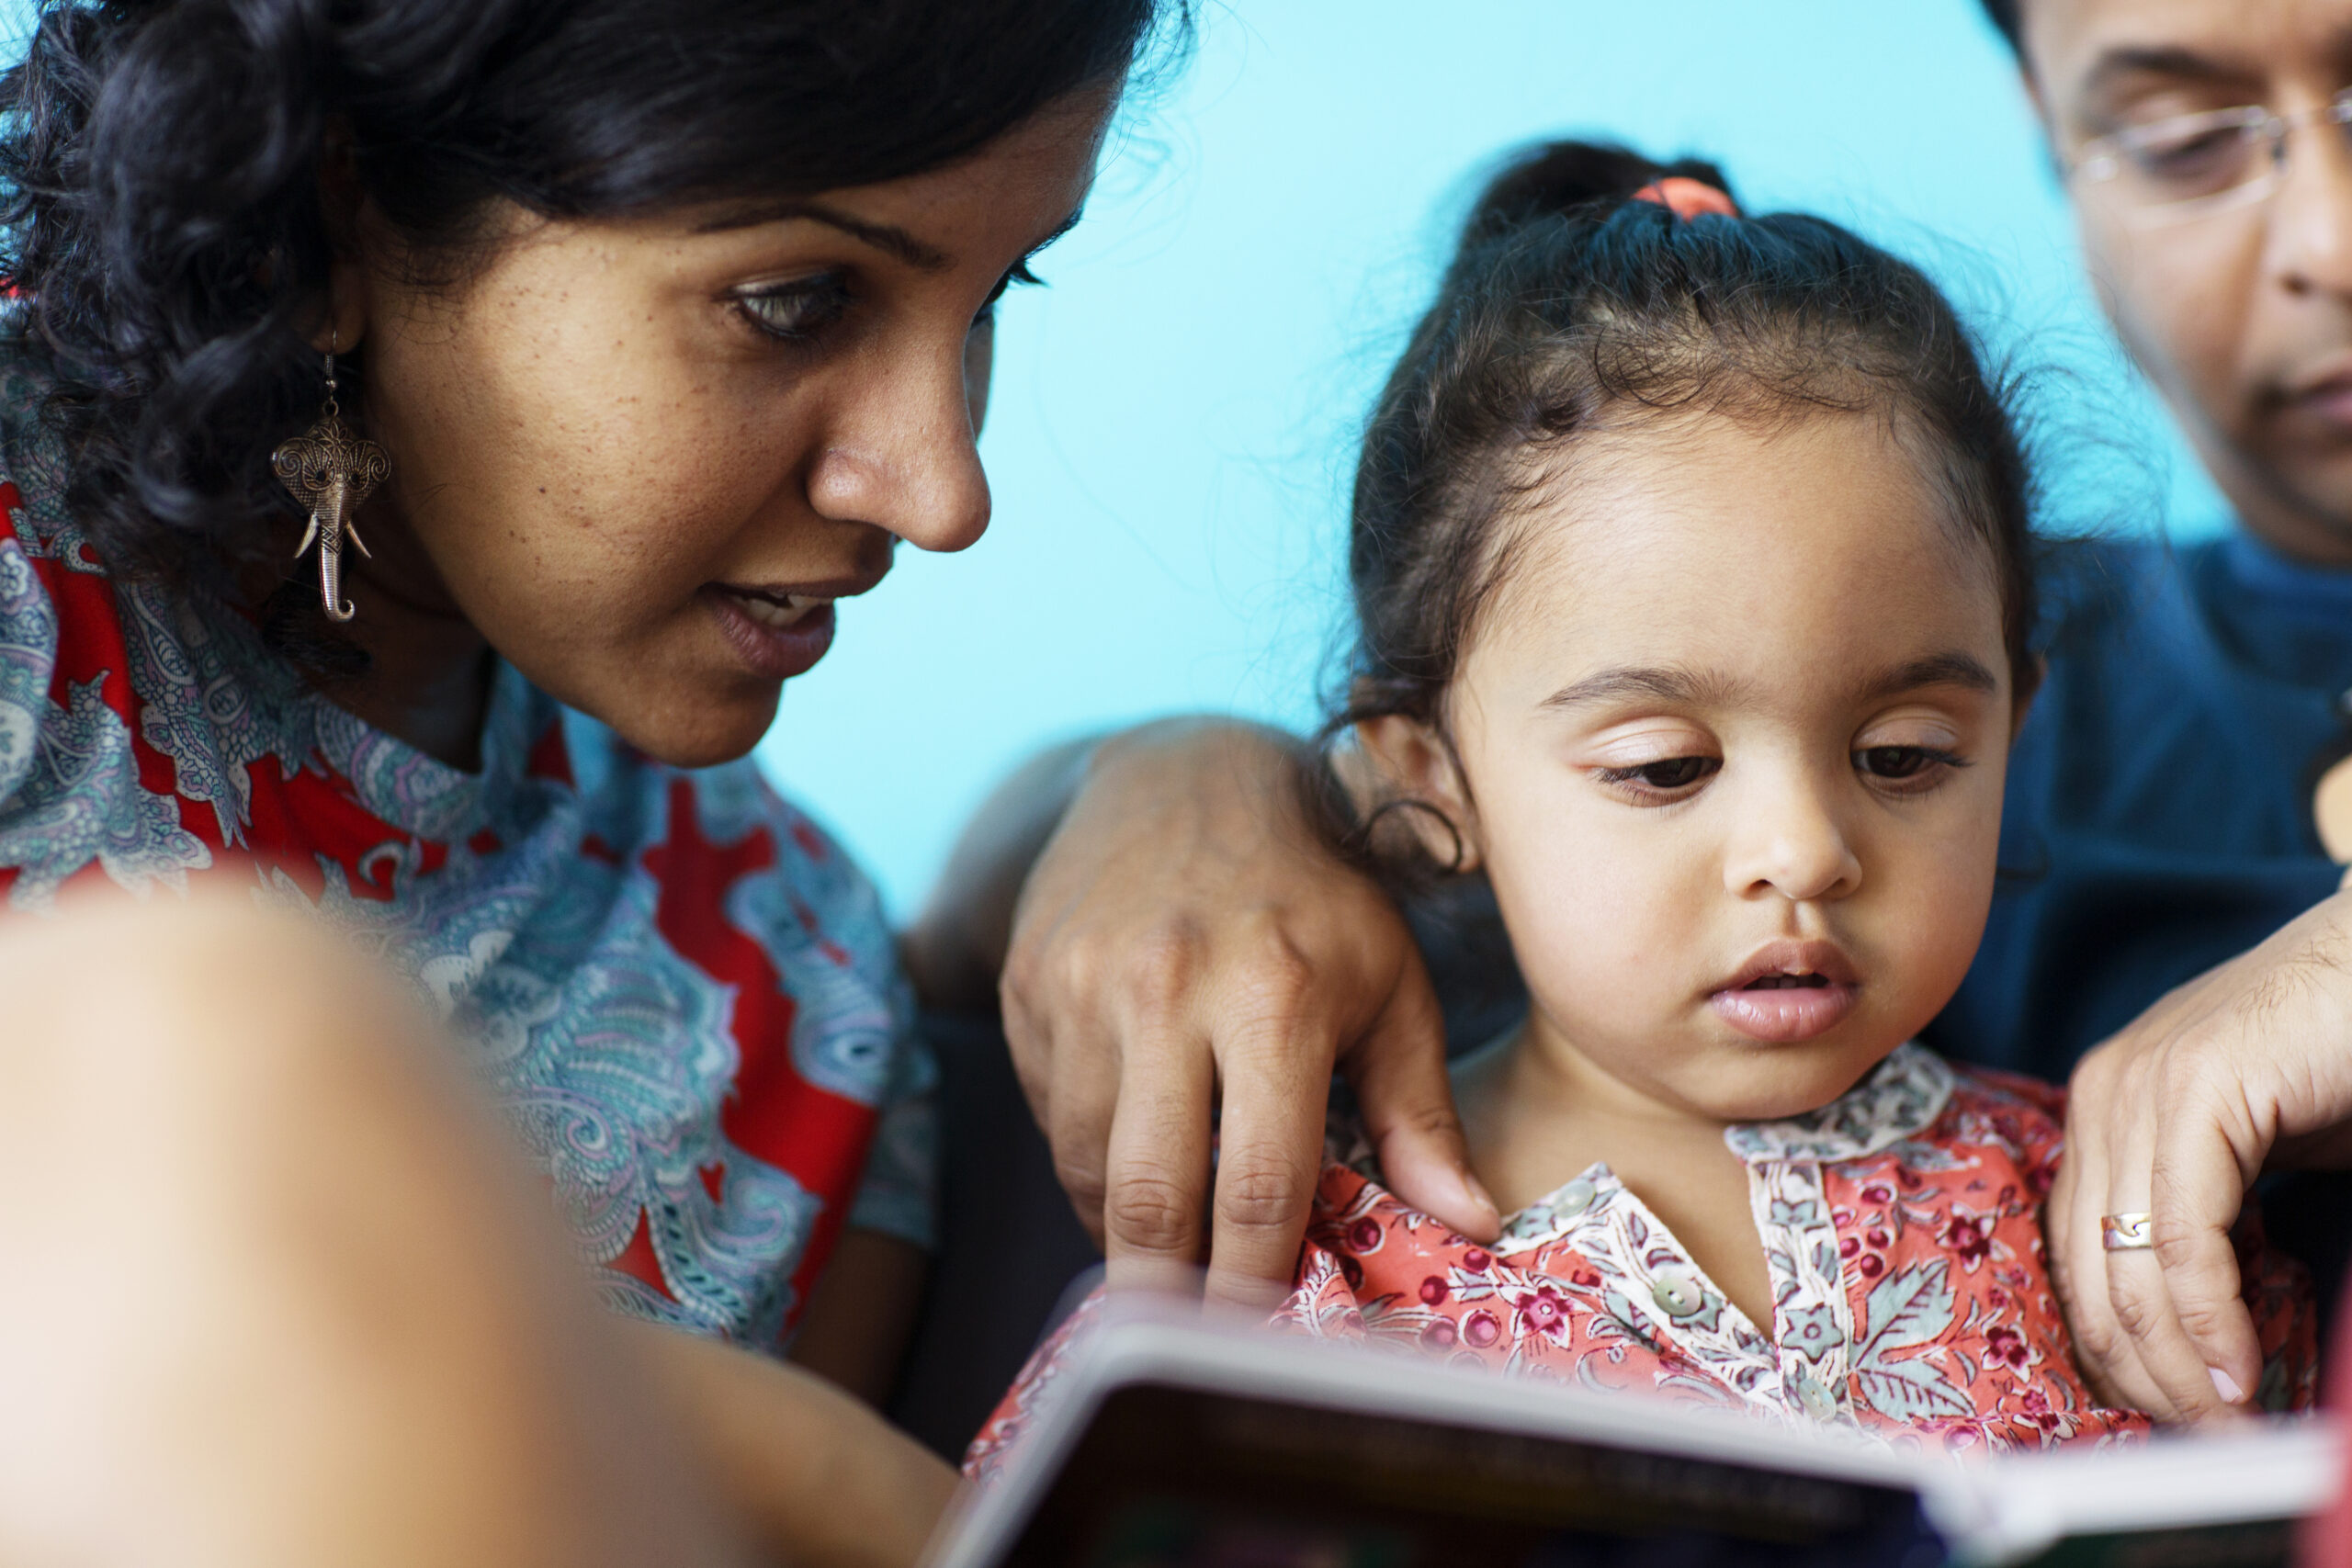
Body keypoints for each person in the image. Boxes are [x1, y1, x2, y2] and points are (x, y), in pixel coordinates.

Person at [954, 0, 2352, 1443]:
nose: (1804, 849)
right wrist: (1183, 773)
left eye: (1907, 759)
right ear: (1428, 782)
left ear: (2018, 730)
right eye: (1665, 766)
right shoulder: (1282, 1289)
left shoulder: (2123, 1235)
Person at [0, 1, 1195, 1562]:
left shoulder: (798, 999)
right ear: (336, 218)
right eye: (793, 300)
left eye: (995, 292)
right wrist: (791, 1459)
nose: (943, 486)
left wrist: (1183, 778)